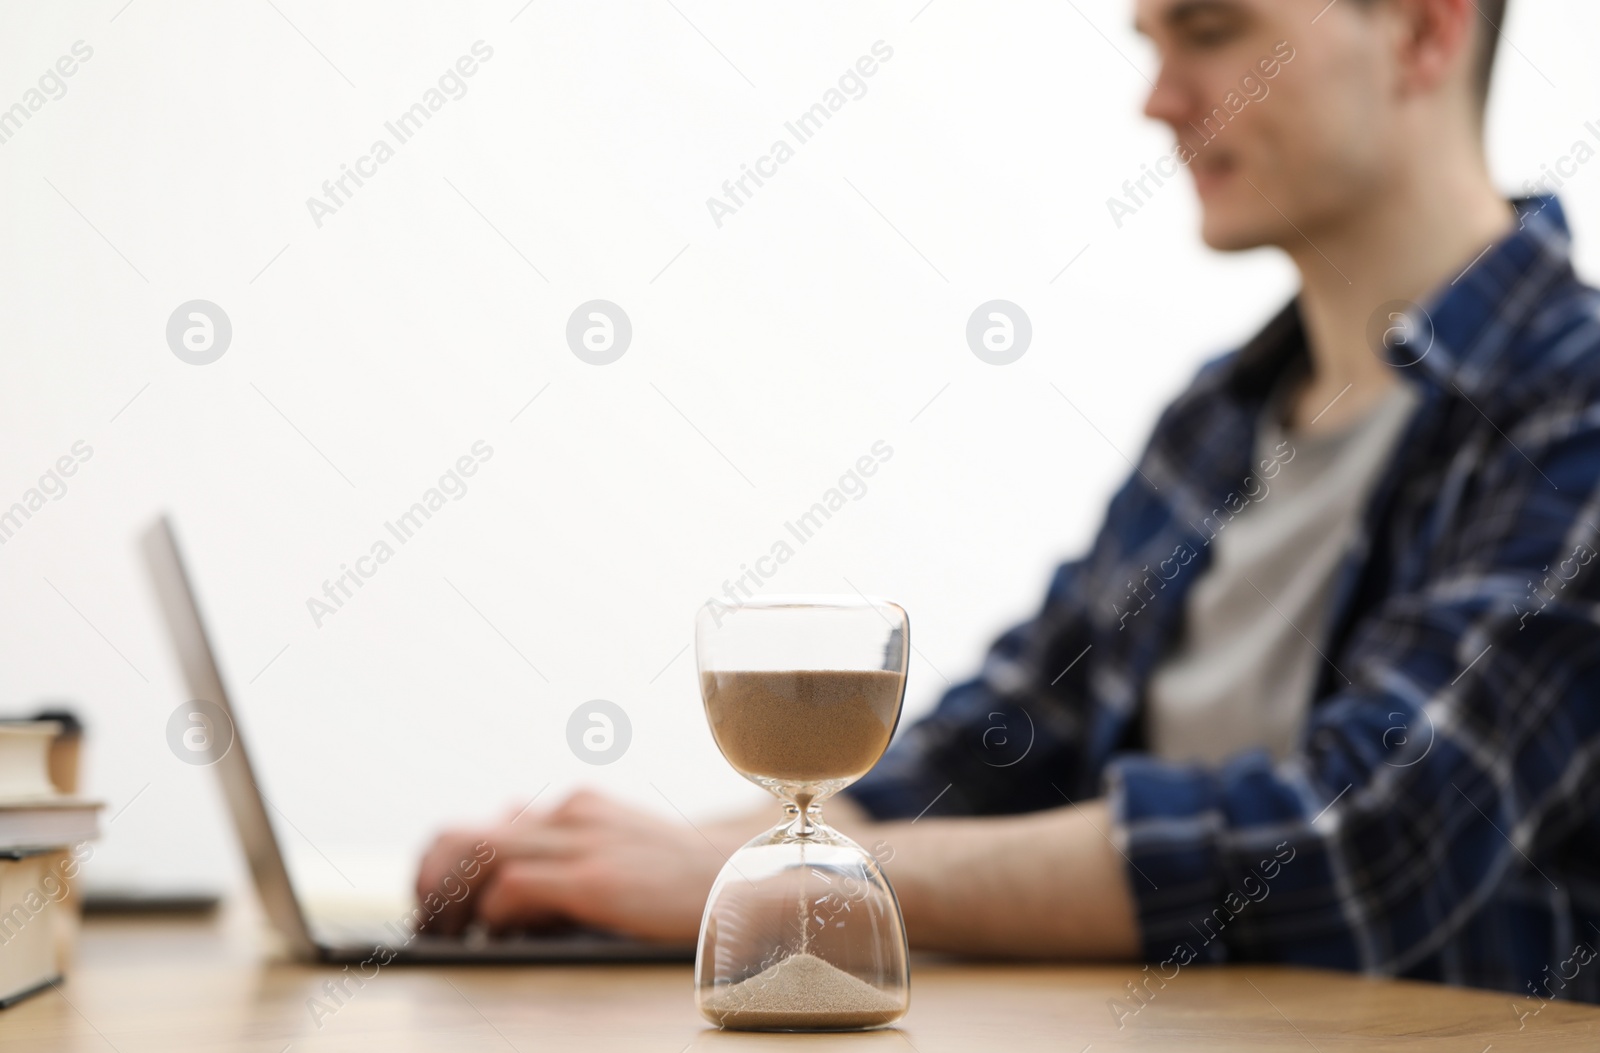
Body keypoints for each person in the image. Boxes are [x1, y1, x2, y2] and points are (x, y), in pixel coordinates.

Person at [418, 0, 1600, 1002]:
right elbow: (999, 748)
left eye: (1208, 29)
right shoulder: (1220, 419)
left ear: (1424, 32)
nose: (1158, 98)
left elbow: (1368, 838)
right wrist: (623, 865)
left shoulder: (1573, 411)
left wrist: (794, 884)